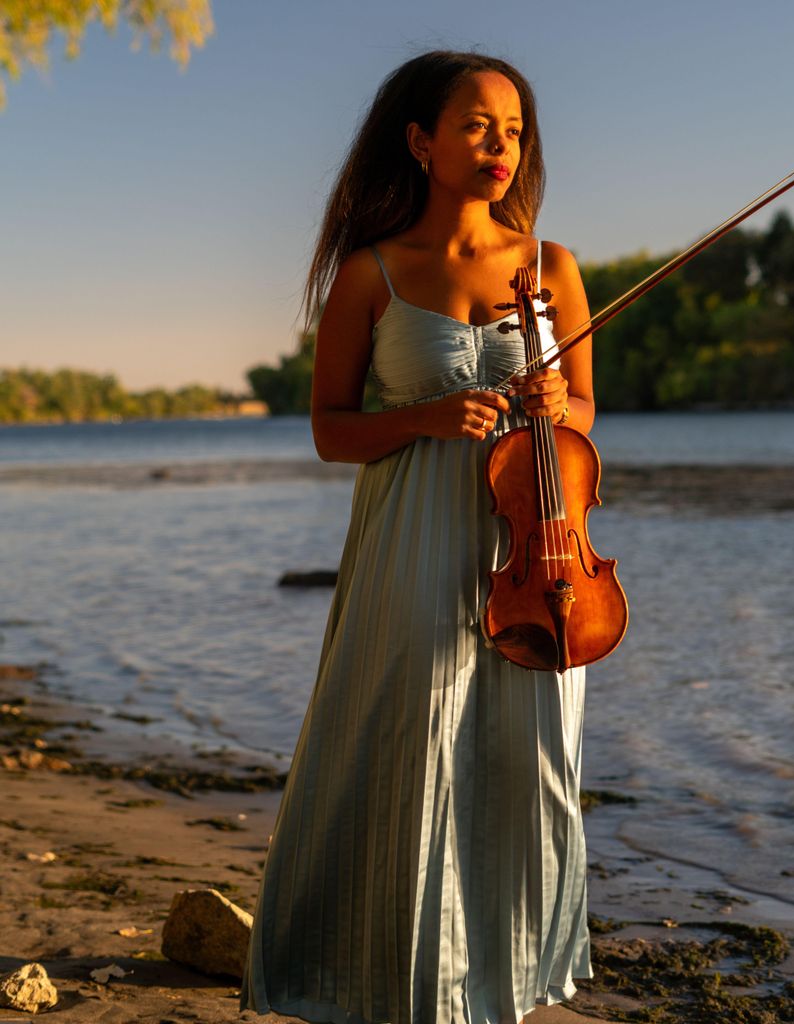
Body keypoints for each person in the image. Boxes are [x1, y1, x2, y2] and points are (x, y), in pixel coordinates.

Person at [238, 49, 596, 1024]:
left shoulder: (551, 269)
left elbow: (586, 424)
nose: (500, 146)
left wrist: (555, 401)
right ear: (420, 141)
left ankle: (508, 987)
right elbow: (328, 429)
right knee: (412, 748)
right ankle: (400, 988)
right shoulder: (371, 275)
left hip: (535, 552)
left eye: (514, 129)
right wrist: (426, 419)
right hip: (413, 541)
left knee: (535, 767)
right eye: (478, 125)